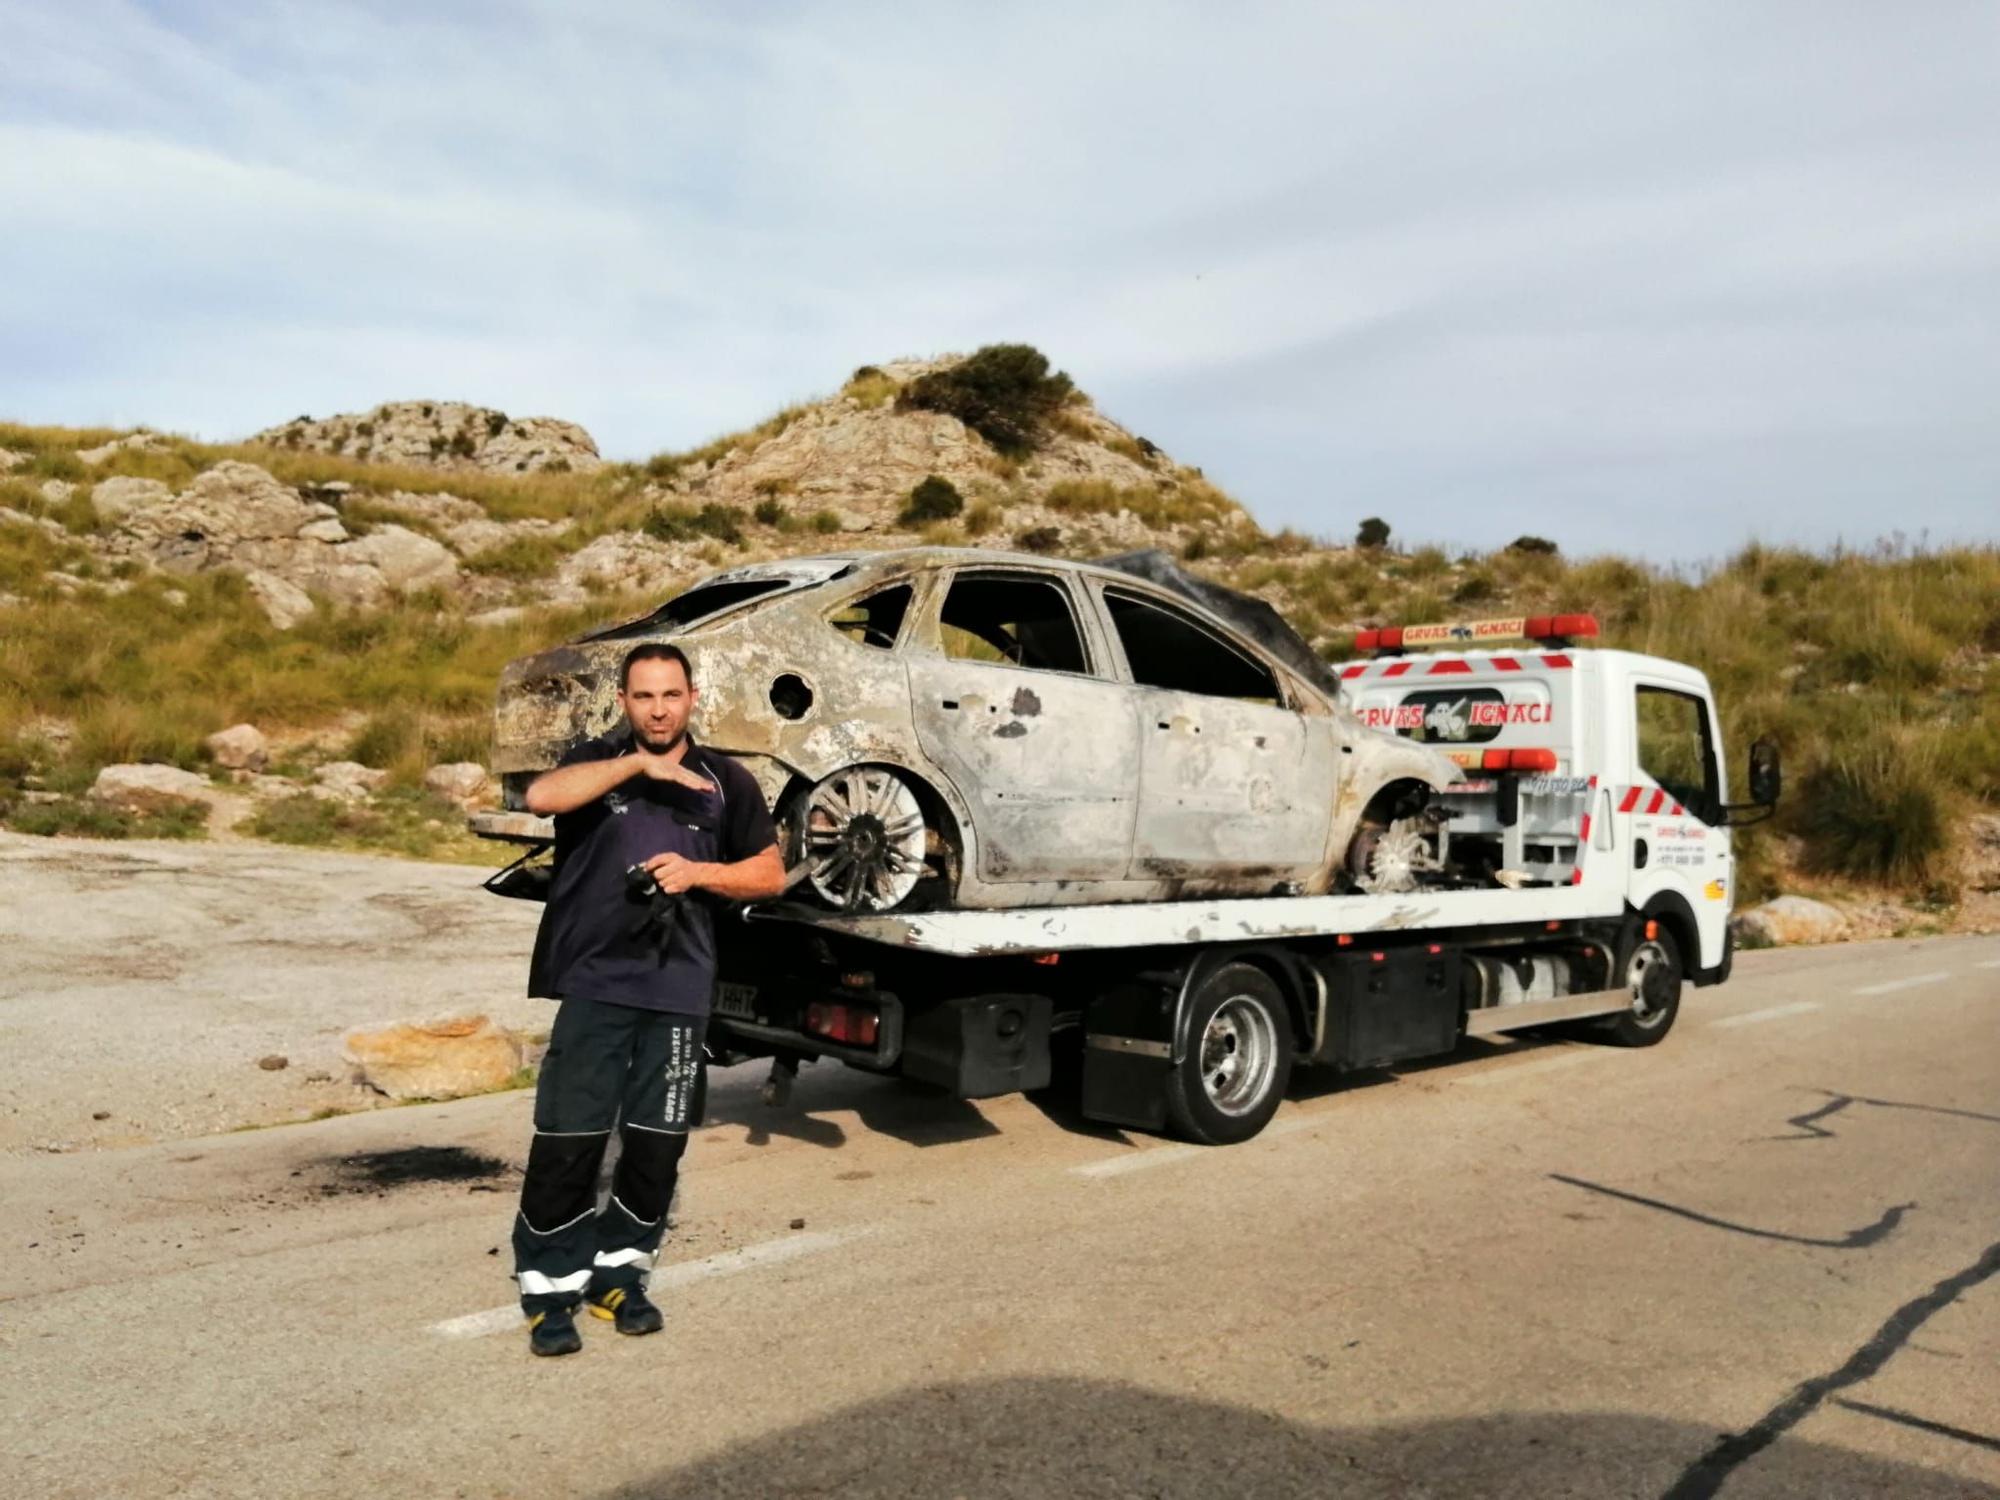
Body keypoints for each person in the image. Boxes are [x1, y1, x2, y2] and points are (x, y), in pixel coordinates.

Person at [510, 642, 785, 1356]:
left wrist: (698, 873)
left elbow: (768, 874)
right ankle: (549, 1289)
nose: (658, 709)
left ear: (692, 698)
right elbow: (541, 798)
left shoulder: (727, 779)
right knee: (571, 1139)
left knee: (656, 1146)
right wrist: (637, 765)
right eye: (643, 696)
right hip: (598, 982)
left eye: (670, 695)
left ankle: (619, 1277)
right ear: (624, 702)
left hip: (680, 986)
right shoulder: (598, 760)